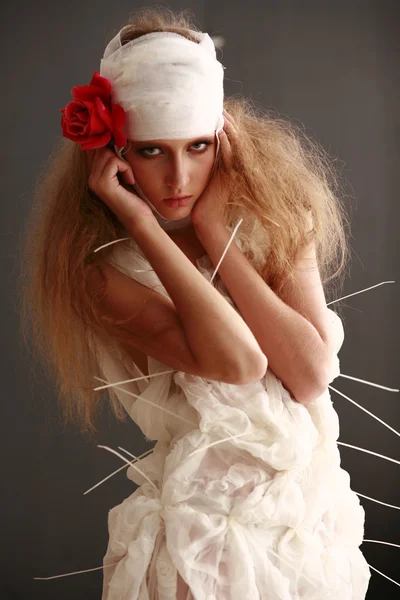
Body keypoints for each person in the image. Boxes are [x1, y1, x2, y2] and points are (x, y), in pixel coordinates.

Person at [20, 7, 371, 600]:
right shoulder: (100, 271)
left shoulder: (277, 219)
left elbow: (310, 375)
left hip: (306, 518)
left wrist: (215, 230)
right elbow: (240, 363)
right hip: (202, 538)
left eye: (198, 146)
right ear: (111, 153)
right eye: (151, 151)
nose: (178, 177)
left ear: (223, 138)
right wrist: (142, 224)